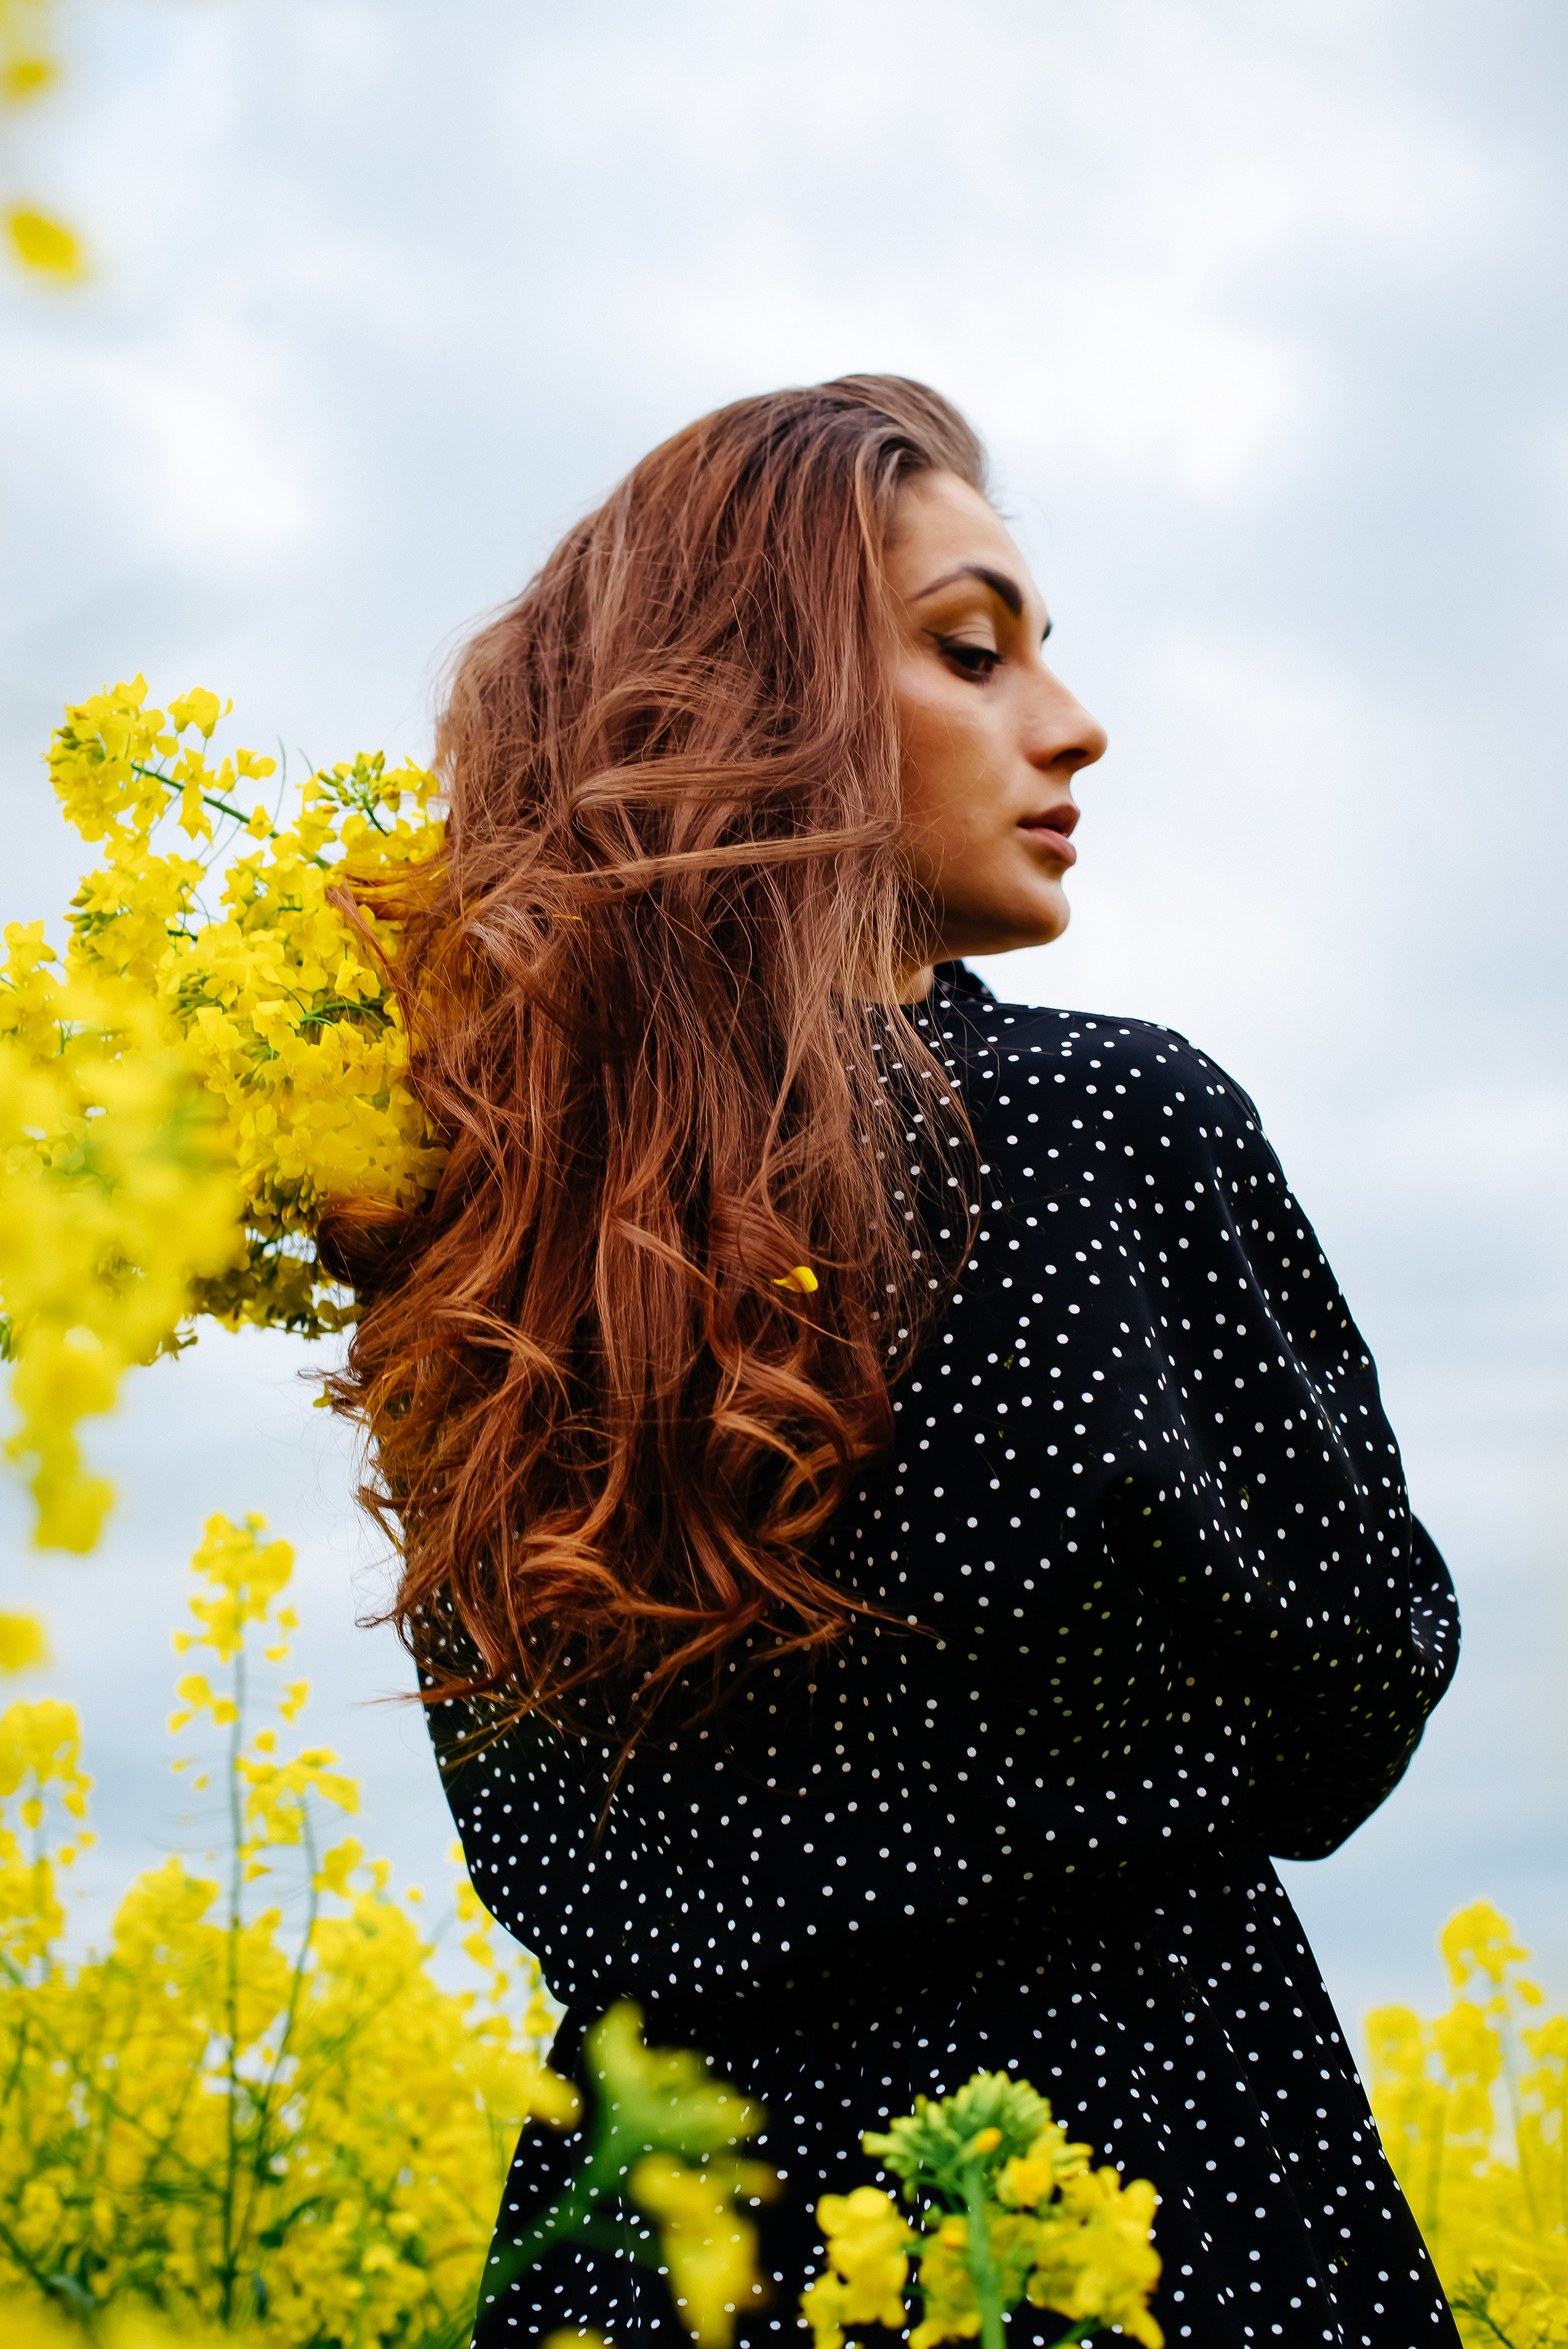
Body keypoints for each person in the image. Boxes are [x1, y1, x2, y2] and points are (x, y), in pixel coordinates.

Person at [328, 377, 1461, 2345]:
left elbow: (532, 1834)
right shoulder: (1118, 1121)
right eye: (971, 647)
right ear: (772, 708)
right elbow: (1358, 1690)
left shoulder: (472, 1235)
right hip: (1148, 2169)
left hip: (654, 2235)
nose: (1073, 722)